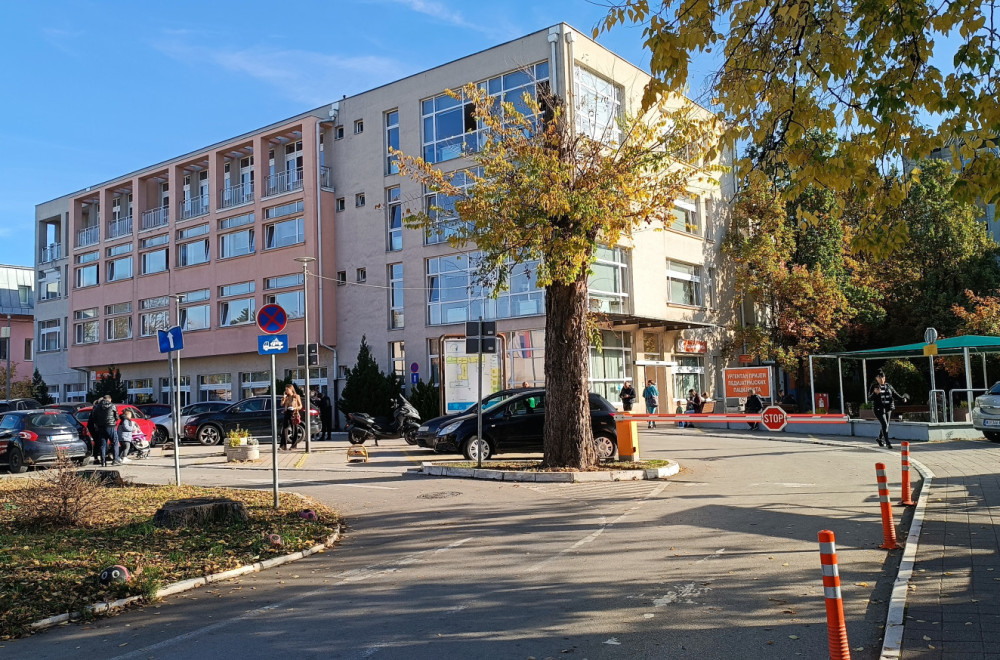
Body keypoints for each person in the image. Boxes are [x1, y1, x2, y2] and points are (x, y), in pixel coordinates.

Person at [869, 369, 907, 449]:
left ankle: (879, 439)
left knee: (886, 425)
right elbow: (869, 398)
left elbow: (895, 394)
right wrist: (875, 394)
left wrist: (902, 398)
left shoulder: (888, 386)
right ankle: (887, 442)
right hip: (878, 408)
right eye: (879, 378)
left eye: (882, 377)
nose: (881, 379)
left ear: (885, 377)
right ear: (876, 379)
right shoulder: (874, 386)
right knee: (884, 424)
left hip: (888, 408)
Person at [92, 395, 119, 467]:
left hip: (101, 427)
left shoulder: (97, 407)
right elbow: (116, 416)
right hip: (110, 426)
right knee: (115, 442)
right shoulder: (112, 405)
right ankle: (115, 460)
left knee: (103, 444)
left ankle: (103, 462)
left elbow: (94, 417)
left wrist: (98, 424)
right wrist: (113, 422)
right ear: (109, 399)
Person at [280, 384, 303, 450]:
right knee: (285, 429)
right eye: (285, 389)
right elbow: (281, 404)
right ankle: (283, 446)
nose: (286, 391)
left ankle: (294, 445)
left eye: (287, 389)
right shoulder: (286, 397)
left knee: (294, 430)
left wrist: (295, 408)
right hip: (287, 413)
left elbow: (300, 406)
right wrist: (284, 398)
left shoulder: (296, 396)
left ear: (291, 389)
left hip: (294, 413)